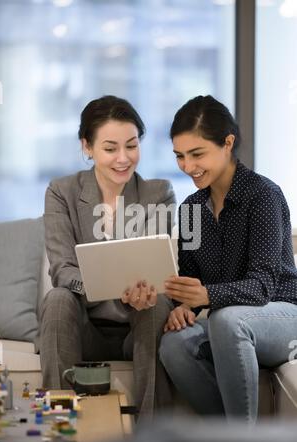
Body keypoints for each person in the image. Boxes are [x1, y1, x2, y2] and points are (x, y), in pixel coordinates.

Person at [159, 95, 297, 423]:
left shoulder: (263, 195)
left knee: (226, 319)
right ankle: (230, 438)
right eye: (179, 156)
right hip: (232, 325)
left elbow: (262, 286)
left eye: (197, 154)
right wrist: (182, 307)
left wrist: (206, 296)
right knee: (173, 344)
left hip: (284, 315)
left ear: (227, 143)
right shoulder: (191, 209)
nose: (187, 166)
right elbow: (191, 278)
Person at [39, 95, 176, 420]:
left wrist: (140, 293)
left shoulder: (159, 193)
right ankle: (61, 425)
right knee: (58, 297)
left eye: (131, 146)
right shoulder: (62, 191)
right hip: (83, 325)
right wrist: (110, 286)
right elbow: (62, 269)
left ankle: (152, 438)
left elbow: (155, 267)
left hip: (138, 324)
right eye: (110, 148)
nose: (123, 158)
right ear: (87, 147)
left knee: (155, 302)